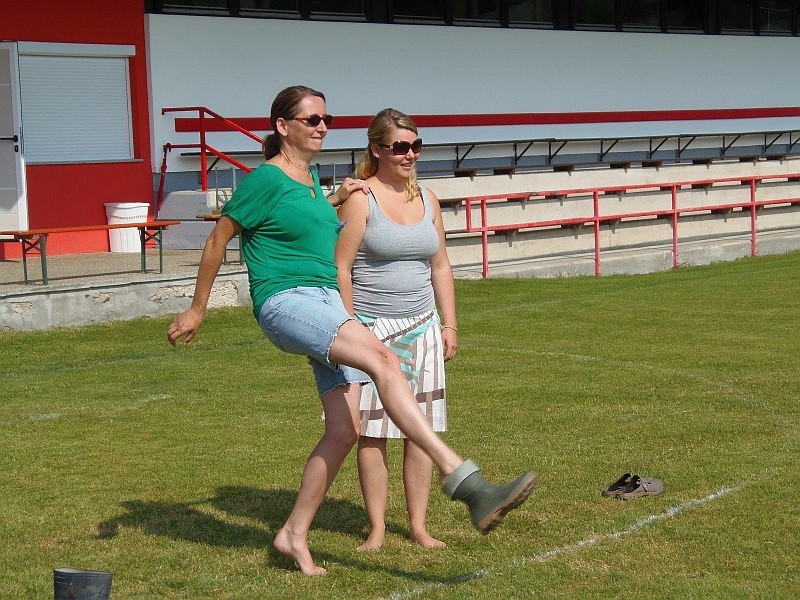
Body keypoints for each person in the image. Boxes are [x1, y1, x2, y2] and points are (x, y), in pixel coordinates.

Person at [167, 85, 537, 576]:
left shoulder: (309, 179)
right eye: (312, 119)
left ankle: (293, 534)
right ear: (283, 126)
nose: (323, 127)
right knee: (385, 361)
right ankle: (467, 482)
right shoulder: (264, 180)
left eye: (327, 119)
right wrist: (197, 309)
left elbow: (305, 222)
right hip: (286, 300)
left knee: (346, 429)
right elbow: (218, 239)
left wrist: (333, 197)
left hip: (320, 300)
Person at [335, 108, 455, 550]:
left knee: (420, 429)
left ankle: (419, 526)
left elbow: (440, 265)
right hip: (372, 329)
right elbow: (341, 268)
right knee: (373, 431)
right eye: (400, 147)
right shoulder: (360, 198)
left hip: (423, 325)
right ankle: (378, 528)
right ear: (377, 150)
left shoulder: (429, 199)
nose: (409, 155)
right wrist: (350, 329)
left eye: (415, 146)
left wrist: (449, 324)